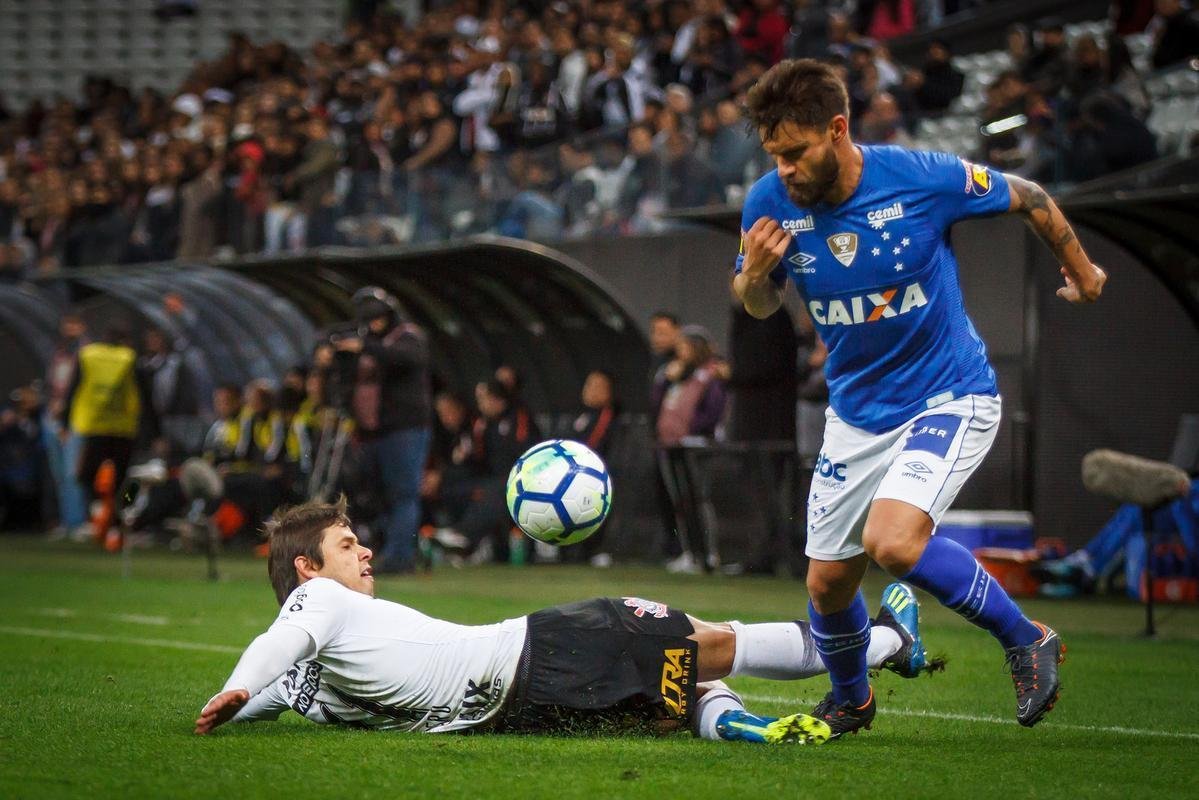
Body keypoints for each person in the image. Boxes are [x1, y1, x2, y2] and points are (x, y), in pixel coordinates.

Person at [733, 59, 1106, 734]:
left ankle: (1025, 637)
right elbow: (757, 305)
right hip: (855, 414)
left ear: (838, 129)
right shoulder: (766, 201)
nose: (784, 169)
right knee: (826, 584)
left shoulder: (918, 178)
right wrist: (756, 278)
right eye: (774, 156)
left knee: (893, 543)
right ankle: (853, 699)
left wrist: (1081, 270)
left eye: (795, 153)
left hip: (947, 395)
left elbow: (1026, 194)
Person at [194, 497, 937, 740]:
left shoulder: (308, 682)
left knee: (672, 685)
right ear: (307, 570)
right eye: (345, 545)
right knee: (720, 643)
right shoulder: (317, 604)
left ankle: (741, 728)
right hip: (547, 644)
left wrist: (231, 704)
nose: (364, 556)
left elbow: (265, 694)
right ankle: (889, 641)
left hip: (525, 710)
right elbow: (274, 648)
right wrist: (231, 689)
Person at [335, 287, 432, 574]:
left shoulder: (407, 336)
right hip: (373, 432)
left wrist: (362, 347)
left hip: (405, 430)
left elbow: (408, 358)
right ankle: (391, 549)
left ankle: (400, 556)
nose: (374, 324)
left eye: (378, 318)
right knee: (378, 496)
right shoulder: (369, 340)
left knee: (404, 494)